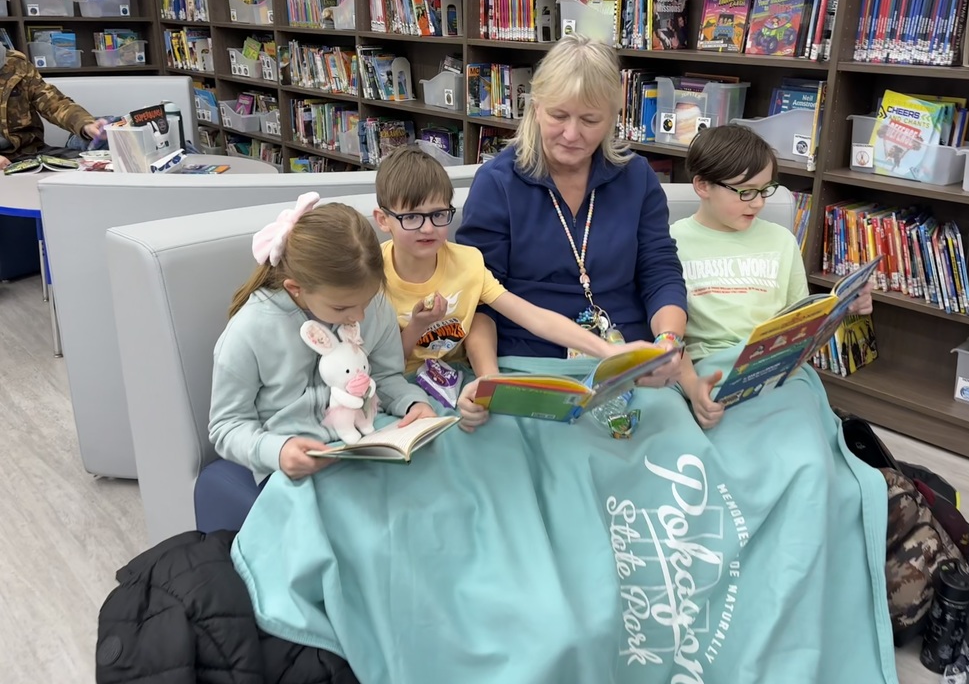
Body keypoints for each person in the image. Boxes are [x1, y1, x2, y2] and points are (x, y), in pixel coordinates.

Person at [455, 35, 689, 395]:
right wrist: (490, 383)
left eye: (590, 120)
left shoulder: (637, 177)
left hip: (628, 359)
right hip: (528, 361)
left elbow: (659, 270)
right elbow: (480, 298)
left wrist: (668, 341)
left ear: (613, 118)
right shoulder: (498, 183)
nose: (571, 134)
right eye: (558, 115)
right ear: (535, 108)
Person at [373, 145, 653, 427]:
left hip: (457, 377)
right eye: (411, 217)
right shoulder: (374, 277)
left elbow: (533, 317)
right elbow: (384, 367)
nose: (428, 228)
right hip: (399, 381)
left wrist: (607, 352)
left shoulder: (468, 262)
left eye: (438, 214)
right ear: (383, 220)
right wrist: (417, 327)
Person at [208, 192, 436, 482]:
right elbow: (227, 426)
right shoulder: (248, 332)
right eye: (341, 307)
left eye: (366, 302)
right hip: (296, 464)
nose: (360, 317)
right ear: (295, 288)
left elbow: (386, 376)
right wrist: (277, 450)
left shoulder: (377, 305)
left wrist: (413, 402)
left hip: (366, 438)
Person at [669, 125, 873, 429]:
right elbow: (668, 338)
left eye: (765, 190)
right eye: (745, 192)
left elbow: (804, 337)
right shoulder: (671, 242)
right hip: (709, 371)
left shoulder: (781, 241)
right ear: (702, 186)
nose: (759, 203)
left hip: (777, 370)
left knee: (800, 440)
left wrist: (843, 311)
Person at [0, 45, 108, 169]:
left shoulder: (17, 64)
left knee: (93, 166)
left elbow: (53, 103)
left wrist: (86, 125)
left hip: (28, 152)